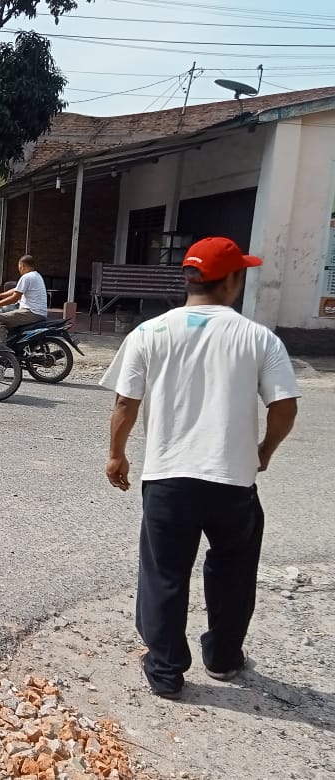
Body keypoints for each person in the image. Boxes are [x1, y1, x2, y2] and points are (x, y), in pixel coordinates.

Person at [100, 236, 300, 700]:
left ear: (188, 278)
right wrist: (265, 450)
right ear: (232, 279)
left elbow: (126, 401)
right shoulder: (257, 337)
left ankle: (166, 671)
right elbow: (285, 406)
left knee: (165, 572)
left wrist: (117, 453)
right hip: (233, 482)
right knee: (233, 571)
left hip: (169, 478)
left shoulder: (150, 333)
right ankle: (223, 658)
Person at [0, 255, 47, 343]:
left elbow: (14, 299)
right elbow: (16, 289)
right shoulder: (36, 276)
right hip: (38, 313)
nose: (19, 270)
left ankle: (2, 350)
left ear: (22, 266)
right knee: (9, 315)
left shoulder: (26, 277)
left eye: (19, 267)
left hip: (31, 313)